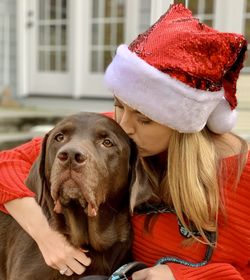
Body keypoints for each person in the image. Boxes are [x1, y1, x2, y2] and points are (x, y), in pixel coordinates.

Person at [0, 4, 249, 279]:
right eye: (120, 105)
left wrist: (180, 276)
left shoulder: (243, 179)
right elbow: (6, 163)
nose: (125, 125)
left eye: (144, 119)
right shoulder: (114, 134)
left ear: (182, 126)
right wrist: (45, 235)